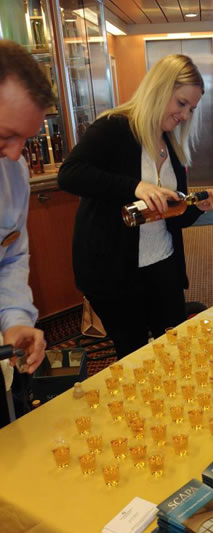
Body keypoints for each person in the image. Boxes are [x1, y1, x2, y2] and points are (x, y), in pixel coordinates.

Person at [58, 54, 213, 359]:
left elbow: (172, 215)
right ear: (160, 89)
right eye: (181, 103)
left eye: (191, 109)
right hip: (115, 270)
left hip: (163, 262)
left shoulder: (169, 142)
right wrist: (135, 187)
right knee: (133, 356)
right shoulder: (113, 127)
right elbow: (69, 174)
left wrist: (198, 206)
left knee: (172, 350)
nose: (185, 115)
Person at [0, 40, 53, 425]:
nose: (17, 155)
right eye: (6, 136)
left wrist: (16, 319)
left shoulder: (12, 173)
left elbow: (12, 256)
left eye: (26, 139)